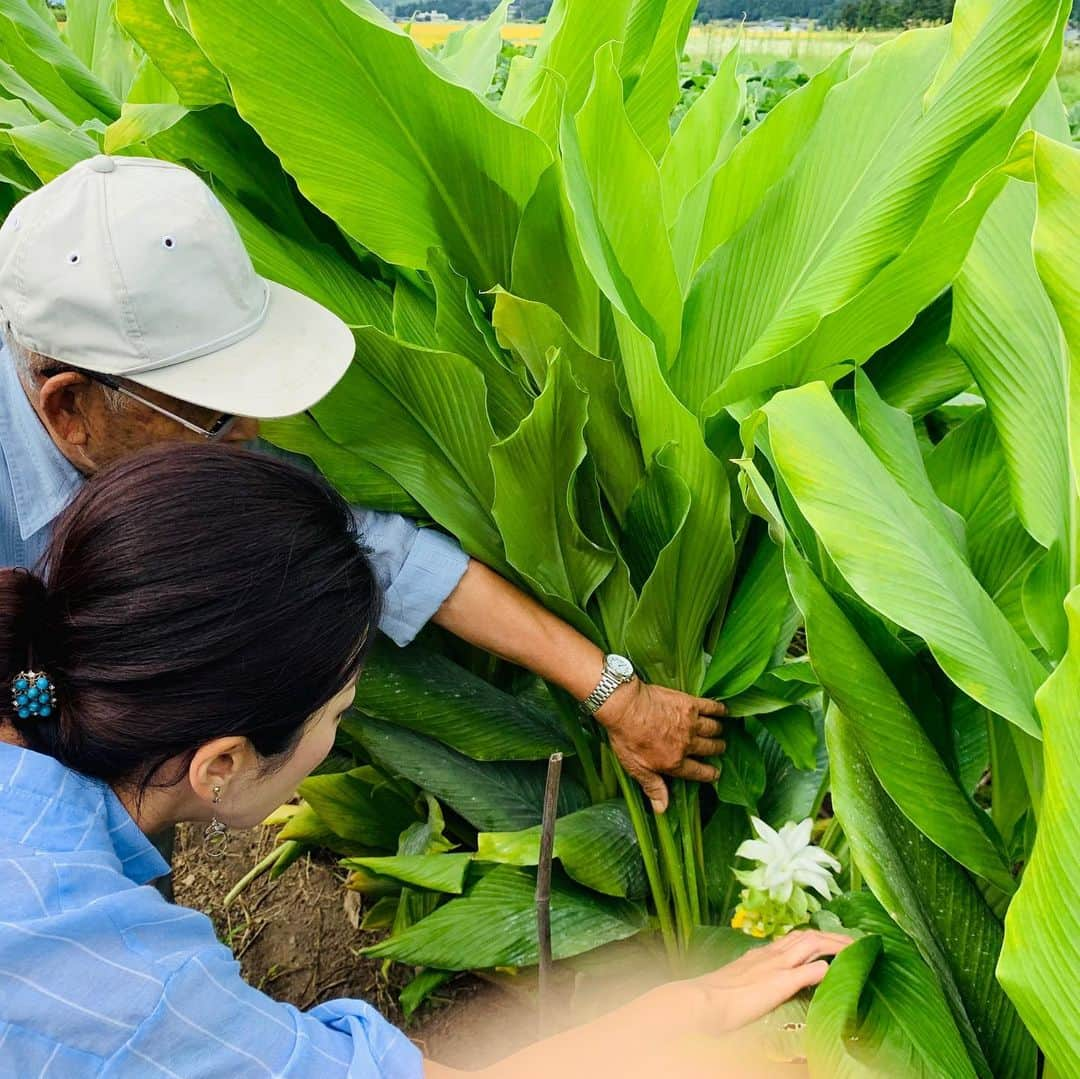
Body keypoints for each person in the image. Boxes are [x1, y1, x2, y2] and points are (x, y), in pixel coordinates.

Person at [0, 444, 848, 1077]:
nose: (339, 730)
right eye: (339, 714)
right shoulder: (125, 989)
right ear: (220, 764)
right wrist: (693, 1007)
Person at [0, 155, 725, 819]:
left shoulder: (166, 434)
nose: (252, 430)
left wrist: (616, 693)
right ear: (71, 409)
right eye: (217, 412)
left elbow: (382, 550)